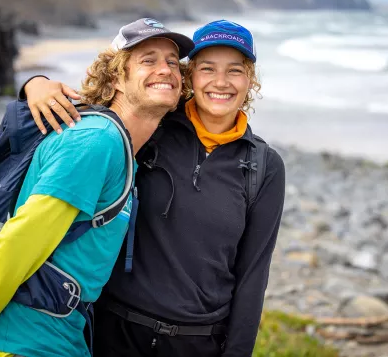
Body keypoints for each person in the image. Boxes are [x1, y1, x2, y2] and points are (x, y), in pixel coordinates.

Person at [22, 19, 286, 357]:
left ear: (250, 80)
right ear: (191, 76)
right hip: (113, 332)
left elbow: (253, 274)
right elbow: (95, 115)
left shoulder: (263, 165)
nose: (221, 82)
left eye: (235, 71)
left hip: (198, 343)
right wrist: (36, 83)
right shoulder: (152, 127)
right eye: (207, 69)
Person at [0, 18, 193, 357]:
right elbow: (20, 240)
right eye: (148, 60)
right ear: (115, 79)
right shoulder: (99, 141)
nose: (166, 69)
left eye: (173, 61)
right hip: (23, 341)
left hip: (56, 338)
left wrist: (34, 82)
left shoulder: (121, 149)